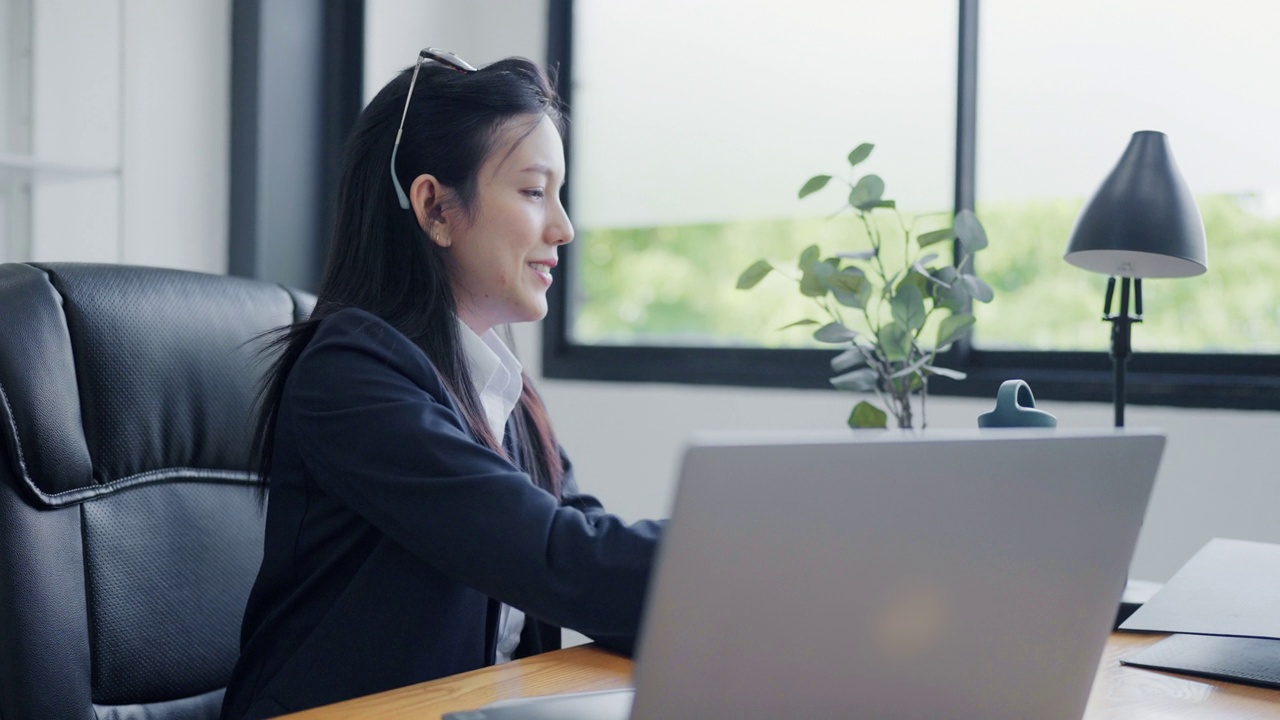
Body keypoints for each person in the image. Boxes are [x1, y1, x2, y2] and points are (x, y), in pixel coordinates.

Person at [220, 50, 663, 720]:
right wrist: (742, 559)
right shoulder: (350, 375)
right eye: (535, 191)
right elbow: (552, 558)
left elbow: (581, 537)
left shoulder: (502, 391)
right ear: (434, 207)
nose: (563, 228)